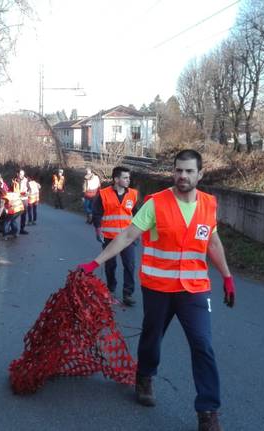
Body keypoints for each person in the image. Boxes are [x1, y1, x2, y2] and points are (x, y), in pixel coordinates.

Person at [79, 149, 236, 431]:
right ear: (173, 172)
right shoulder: (156, 204)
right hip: (158, 288)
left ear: (200, 174)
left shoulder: (209, 205)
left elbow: (212, 241)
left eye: (189, 171)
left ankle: (208, 411)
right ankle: (145, 375)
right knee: (152, 337)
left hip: (194, 290)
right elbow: (127, 235)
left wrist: (226, 276)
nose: (183, 176)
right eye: (178, 170)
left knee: (203, 346)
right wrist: (96, 262)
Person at [93, 166, 139, 306]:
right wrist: (98, 230)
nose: (128, 180)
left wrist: (137, 233)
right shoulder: (103, 194)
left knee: (130, 265)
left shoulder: (133, 194)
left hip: (128, 237)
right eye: (125, 178)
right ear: (116, 179)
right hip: (109, 236)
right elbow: (97, 214)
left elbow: (138, 215)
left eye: (129, 178)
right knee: (110, 265)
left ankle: (128, 294)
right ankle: (111, 289)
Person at [12, 169, 30, 235]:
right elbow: (11, 189)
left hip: (24, 199)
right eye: (20, 174)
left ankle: (22, 229)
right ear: (18, 174)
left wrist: (28, 192)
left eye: (23, 174)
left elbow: (29, 188)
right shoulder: (14, 180)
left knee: (24, 215)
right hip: (16, 200)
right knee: (14, 215)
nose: (21, 175)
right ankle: (13, 229)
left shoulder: (26, 180)